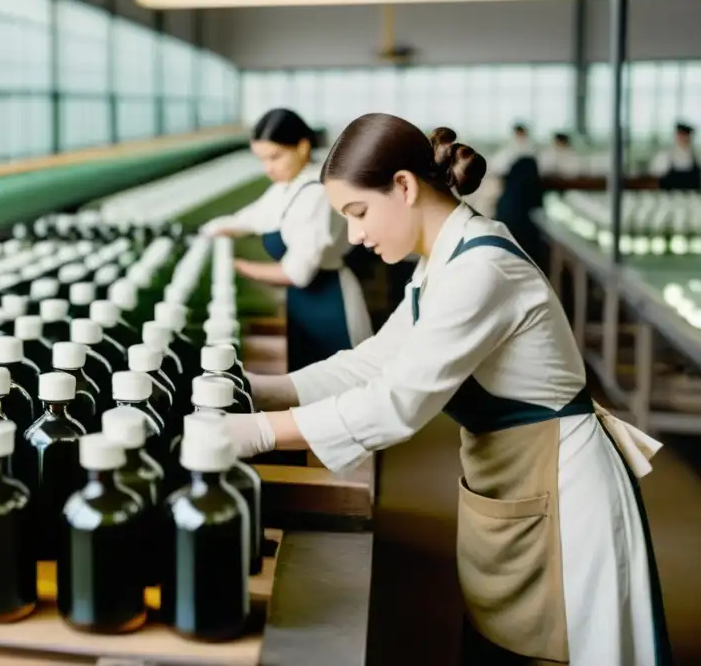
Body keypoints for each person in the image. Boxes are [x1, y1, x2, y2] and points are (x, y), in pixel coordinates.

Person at [223, 112, 671, 666]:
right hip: (511, 477)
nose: (356, 236)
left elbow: (398, 404)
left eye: (357, 213)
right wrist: (258, 390)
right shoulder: (442, 264)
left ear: (404, 186)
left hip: (561, 488)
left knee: (562, 645)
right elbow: (373, 363)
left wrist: (256, 433)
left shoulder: (482, 268)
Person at [201, 108, 372, 371]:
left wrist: (234, 266)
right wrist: (208, 231)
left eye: (275, 157)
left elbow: (297, 274)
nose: (267, 168)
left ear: (303, 147)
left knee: (338, 384)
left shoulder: (315, 192)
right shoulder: (287, 186)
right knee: (306, 386)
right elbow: (247, 219)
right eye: (262, 159)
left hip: (329, 304)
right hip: (302, 304)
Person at [650, 122, 699, 190]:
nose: (685, 138)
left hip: (693, 198)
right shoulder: (664, 156)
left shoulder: (696, 157)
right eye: (682, 135)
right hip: (669, 199)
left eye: (687, 135)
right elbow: (654, 178)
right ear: (677, 135)